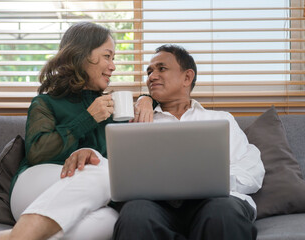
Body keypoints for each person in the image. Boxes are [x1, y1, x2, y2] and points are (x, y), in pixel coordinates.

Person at [0, 22, 151, 240]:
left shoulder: (115, 107)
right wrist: (88, 119)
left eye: (113, 58)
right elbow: (38, 153)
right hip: (37, 186)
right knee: (104, 170)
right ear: (81, 54)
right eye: (107, 56)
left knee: (111, 221)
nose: (113, 66)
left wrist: (147, 99)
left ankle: (7, 237)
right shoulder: (45, 103)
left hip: (87, 196)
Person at [112, 44, 266, 240]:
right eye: (149, 71)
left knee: (222, 212)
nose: (151, 76)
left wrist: (212, 182)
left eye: (161, 68)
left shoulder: (220, 119)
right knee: (135, 215)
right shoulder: (139, 121)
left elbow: (251, 168)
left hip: (214, 202)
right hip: (156, 207)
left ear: (187, 77)